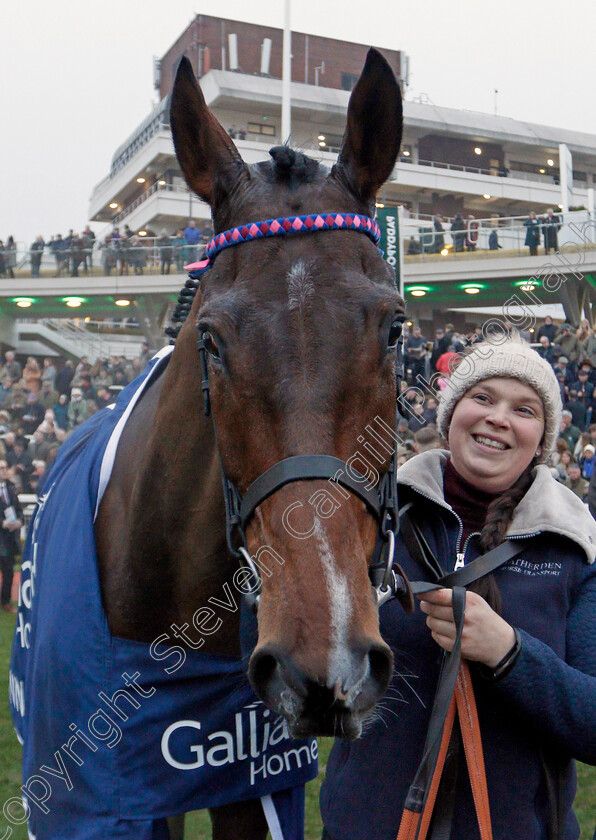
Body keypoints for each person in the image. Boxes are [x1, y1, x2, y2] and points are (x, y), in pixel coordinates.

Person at [321, 335, 596, 840]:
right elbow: (305, 683)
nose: (498, 417)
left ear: (543, 439)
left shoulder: (576, 548)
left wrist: (509, 653)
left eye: (524, 409)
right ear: (451, 415)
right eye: (483, 398)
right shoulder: (370, 522)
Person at [0, 459, 23, 613]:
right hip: (2, 530)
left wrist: (19, 521)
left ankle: (6, 602)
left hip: (8, 537)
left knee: (8, 570)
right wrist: (2, 523)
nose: (3, 470)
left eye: (4, 467)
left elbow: (18, 508)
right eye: (0, 468)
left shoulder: (11, 486)